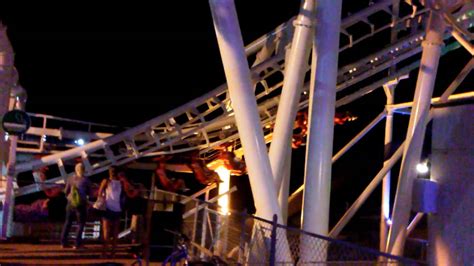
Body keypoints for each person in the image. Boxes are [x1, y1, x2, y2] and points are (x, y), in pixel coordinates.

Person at [60, 162, 92, 249]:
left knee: (68, 222)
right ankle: (77, 243)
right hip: (80, 204)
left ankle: (63, 242)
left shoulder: (70, 179)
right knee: (81, 223)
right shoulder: (86, 180)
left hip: (70, 203)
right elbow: (90, 193)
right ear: (84, 170)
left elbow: (66, 191)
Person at [98, 166, 126, 258]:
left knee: (106, 231)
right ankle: (113, 252)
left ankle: (104, 252)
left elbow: (100, 193)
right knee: (115, 232)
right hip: (118, 209)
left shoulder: (106, 181)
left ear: (109, 172)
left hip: (108, 208)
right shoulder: (121, 182)